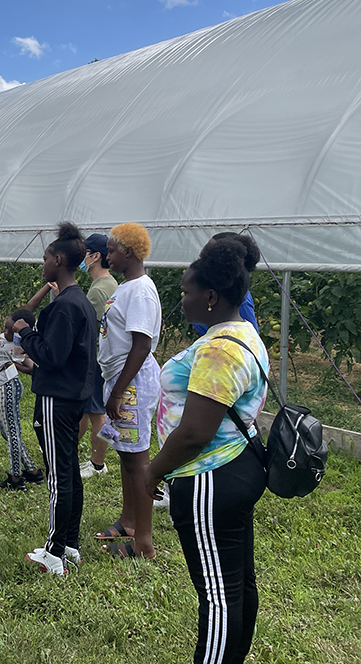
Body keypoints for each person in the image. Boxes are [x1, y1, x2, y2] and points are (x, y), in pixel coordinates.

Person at [144, 235, 268, 663]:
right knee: (237, 583)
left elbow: (195, 432)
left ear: (211, 296)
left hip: (208, 477)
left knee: (217, 596)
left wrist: (153, 470)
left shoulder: (218, 350)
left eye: (185, 292)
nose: (180, 300)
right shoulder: (244, 333)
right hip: (238, 463)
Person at [12, 222, 96, 576]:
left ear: (59, 260)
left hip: (56, 399)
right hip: (73, 394)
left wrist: (25, 332)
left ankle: (53, 552)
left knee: (59, 475)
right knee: (70, 472)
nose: (43, 263)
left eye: (46, 257)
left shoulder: (63, 306)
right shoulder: (81, 302)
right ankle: (71, 546)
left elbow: (52, 355)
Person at [92, 223, 161, 560]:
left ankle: (143, 542)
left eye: (113, 250)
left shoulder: (141, 290)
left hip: (131, 383)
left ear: (129, 253)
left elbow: (141, 344)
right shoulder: (125, 287)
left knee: (138, 461)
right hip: (120, 381)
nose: (108, 256)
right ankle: (129, 521)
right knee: (125, 455)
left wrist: (118, 392)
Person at [0, 310, 44, 491]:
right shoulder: (6, 337)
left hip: (8, 388)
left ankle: (16, 477)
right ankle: (33, 471)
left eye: (10, 329)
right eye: (6, 327)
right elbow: (28, 309)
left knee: (11, 433)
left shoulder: (16, 346)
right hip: (2, 388)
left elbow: (31, 368)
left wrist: (14, 364)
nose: (6, 331)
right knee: (8, 432)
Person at [78, 234, 119, 479]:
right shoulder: (107, 284)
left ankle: (97, 464)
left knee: (96, 412)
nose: (82, 257)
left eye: (85, 252)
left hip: (95, 360)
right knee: (87, 410)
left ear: (96, 256)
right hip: (100, 359)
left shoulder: (99, 291)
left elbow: (85, 329)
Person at [190, 232, 259, 335]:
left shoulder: (240, 300)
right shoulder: (213, 287)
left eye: (207, 250)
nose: (200, 254)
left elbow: (250, 337)